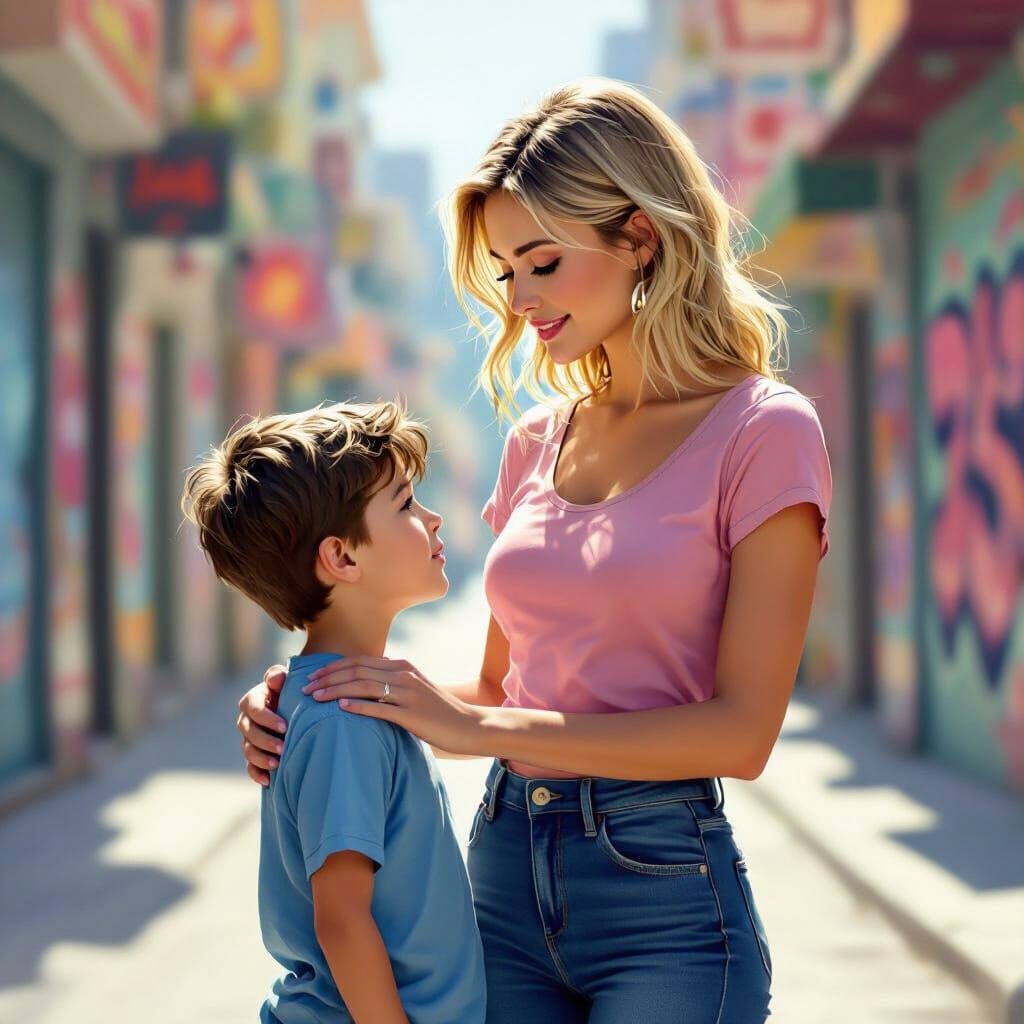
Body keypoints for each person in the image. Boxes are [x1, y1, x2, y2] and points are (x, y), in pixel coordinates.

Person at [236, 78, 832, 1023]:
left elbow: (742, 732)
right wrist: (319, 693)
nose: (518, 299)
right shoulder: (536, 441)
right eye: (506, 270)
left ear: (640, 238)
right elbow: (496, 695)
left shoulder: (766, 432)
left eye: (543, 263)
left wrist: (482, 733)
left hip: (664, 898)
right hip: (503, 879)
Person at [181, 401, 486, 1024]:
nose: (432, 519)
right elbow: (341, 918)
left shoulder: (346, 701)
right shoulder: (341, 718)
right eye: (404, 504)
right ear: (342, 558)